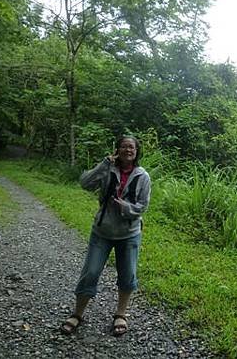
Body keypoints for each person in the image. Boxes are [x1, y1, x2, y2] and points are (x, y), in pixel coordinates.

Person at [60, 135, 151, 336]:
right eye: (124, 147)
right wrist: (104, 164)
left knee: (127, 274)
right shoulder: (108, 169)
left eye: (132, 147)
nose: (128, 150)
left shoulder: (142, 176)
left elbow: (142, 206)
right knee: (90, 272)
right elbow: (85, 183)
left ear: (137, 152)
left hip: (129, 233)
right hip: (102, 231)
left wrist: (125, 207)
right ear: (117, 149)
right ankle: (77, 313)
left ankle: (121, 314)